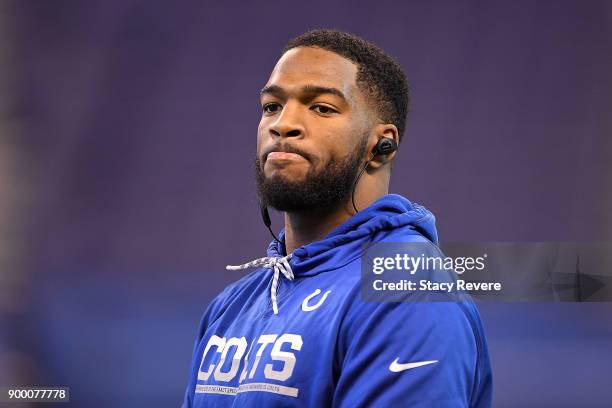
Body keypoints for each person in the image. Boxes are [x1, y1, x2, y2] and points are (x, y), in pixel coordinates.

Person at [181, 29, 492, 407]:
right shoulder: (233, 305)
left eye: (321, 107)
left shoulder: (407, 291)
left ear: (381, 146)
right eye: (272, 106)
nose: (283, 124)